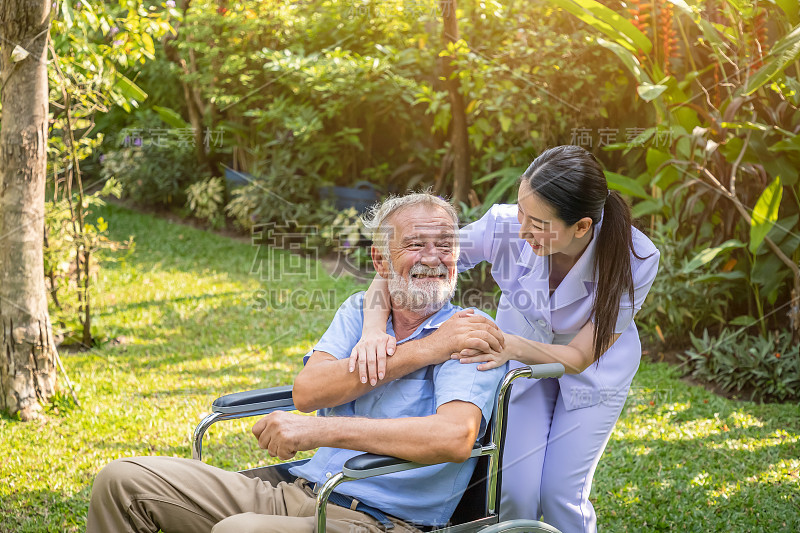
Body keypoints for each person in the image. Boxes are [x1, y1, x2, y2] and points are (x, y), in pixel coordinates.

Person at [86, 192, 508, 533]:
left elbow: (454, 437)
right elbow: (309, 391)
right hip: (301, 488)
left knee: (240, 531)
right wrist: (423, 350)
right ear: (381, 262)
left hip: (379, 519)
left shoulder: (468, 330)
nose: (433, 257)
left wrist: (320, 429)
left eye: (445, 246)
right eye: (415, 245)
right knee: (121, 481)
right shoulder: (359, 311)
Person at [351, 145, 660, 532]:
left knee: (561, 494)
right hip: (519, 363)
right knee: (515, 490)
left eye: (539, 223)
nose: (523, 228)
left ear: (581, 227)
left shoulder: (637, 257)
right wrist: (372, 330)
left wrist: (504, 343)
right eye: (521, 211)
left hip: (591, 372)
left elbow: (579, 356)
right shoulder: (502, 226)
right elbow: (403, 261)